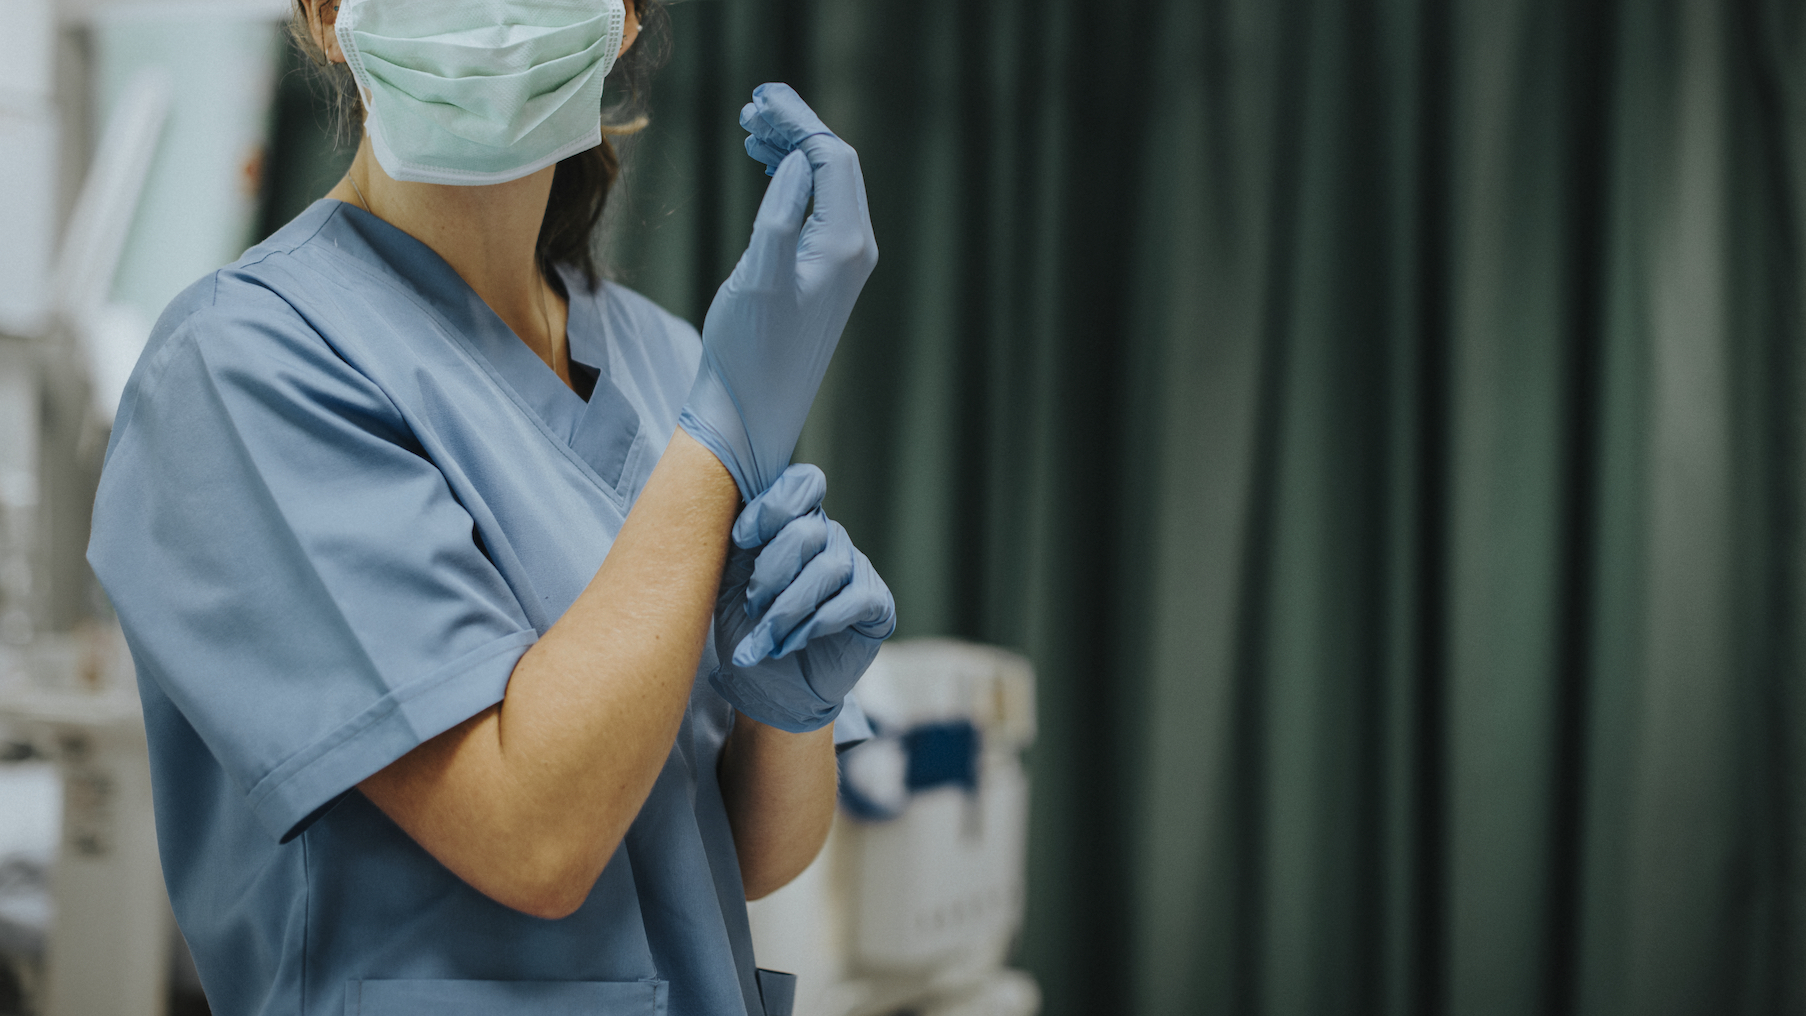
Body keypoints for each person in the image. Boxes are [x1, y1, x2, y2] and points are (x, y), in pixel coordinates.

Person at [85, 0, 893, 1013]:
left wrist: (792, 711)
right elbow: (536, 835)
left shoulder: (670, 362)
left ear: (626, 17)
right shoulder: (239, 364)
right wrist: (721, 434)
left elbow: (753, 852)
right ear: (331, 15)